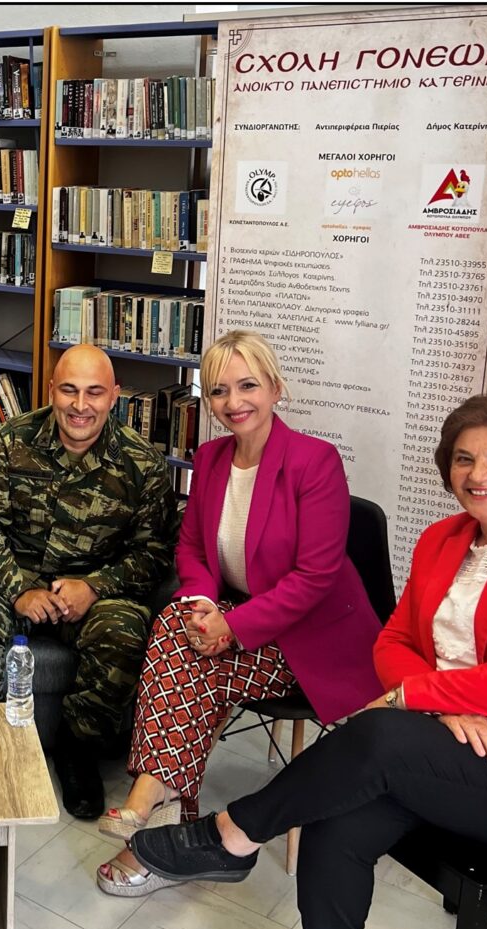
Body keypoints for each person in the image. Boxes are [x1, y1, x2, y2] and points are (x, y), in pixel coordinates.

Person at [120, 392, 487, 929]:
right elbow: (393, 643)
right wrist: (442, 706)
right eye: (464, 458)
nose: (478, 475)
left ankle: (230, 834)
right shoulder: (442, 539)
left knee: (379, 733)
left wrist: (412, 696)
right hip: (447, 740)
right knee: (332, 820)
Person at [96, 330, 382, 893]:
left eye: (248, 385)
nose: (234, 402)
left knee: (193, 666)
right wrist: (205, 606)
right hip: (235, 614)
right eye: (219, 390)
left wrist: (232, 625)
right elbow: (192, 550)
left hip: (311, 637)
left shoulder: (315, 462)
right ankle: (161, 809)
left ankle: (152, 800)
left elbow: (315, 577)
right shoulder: (210, 458)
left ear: (275, 388)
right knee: (177, 627)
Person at [0, 344, 178, 818]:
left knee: (124, 629)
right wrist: (18, 588)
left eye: (94, 392)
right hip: (11, 582)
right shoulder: (11, 441)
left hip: (91, 595)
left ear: (114, 395)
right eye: (69, 390)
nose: (80, 405)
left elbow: (154, 553)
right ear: (51, 389)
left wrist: (95, 586)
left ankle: (79, 751)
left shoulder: (143, 464)